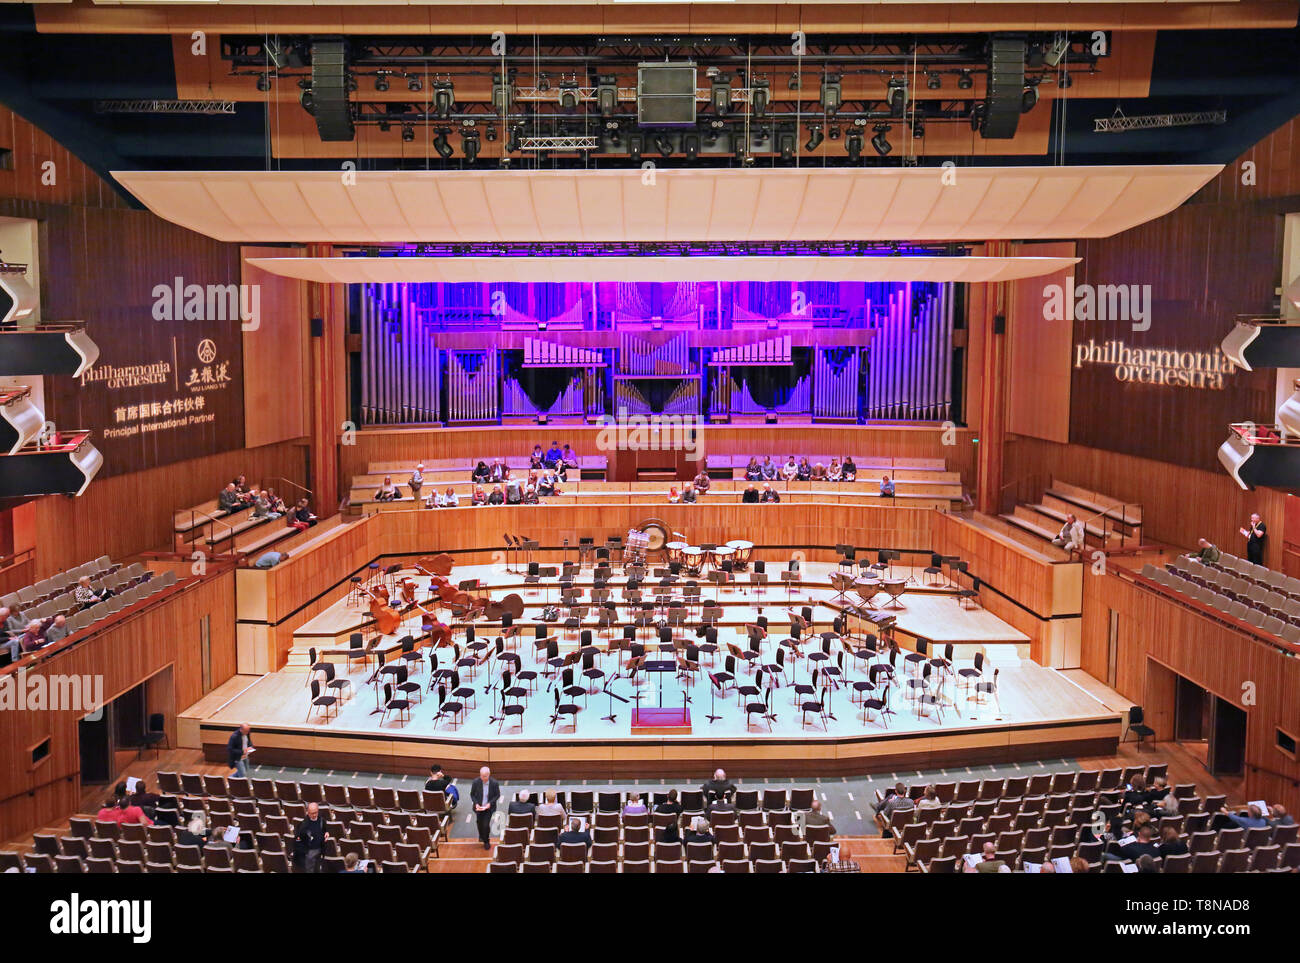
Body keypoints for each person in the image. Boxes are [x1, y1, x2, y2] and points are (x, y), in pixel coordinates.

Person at [470, 765, 501, 850]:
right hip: (478, 807)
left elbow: (497, 795)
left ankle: (486, 841)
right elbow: (472, 794)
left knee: (486, 825)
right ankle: (481, 835)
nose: (483, 778)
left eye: (485, 776)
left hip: (488, 808)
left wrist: (489, 804)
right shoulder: (476, 782)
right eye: (481, 776)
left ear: (489, 774)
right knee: (479, 823)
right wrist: (476, 803)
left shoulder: (494, 783)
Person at [293, 801, 329, 873]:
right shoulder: (303, 825)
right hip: (309, 852)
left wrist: (327, 832)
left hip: (320, 850)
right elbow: (298, 839)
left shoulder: (322, 820)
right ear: (308, 812)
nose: (315, 815)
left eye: (316, 812)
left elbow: (325, 829)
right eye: (312, 813)